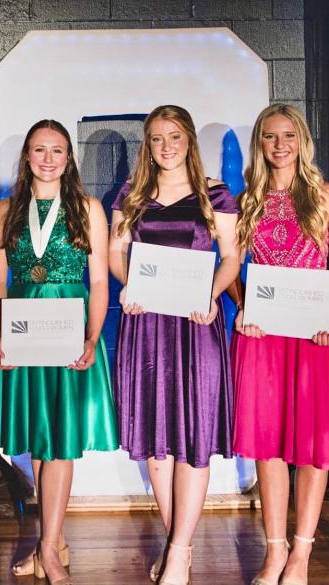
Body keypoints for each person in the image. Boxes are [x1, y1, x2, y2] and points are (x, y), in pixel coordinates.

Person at [107, 105, 239, 585]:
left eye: (175, 137)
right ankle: (178, 547)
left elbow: (231, 256)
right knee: (156, 443)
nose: (166, 146)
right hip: (147, 324)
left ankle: (178, 551)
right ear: (148, 144)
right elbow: (114, 253)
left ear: (189, 141)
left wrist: (213, 294)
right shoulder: (131, 194)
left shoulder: (215, 195)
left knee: (193, 438)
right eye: (158, 138)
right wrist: (128, 285)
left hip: (195, 322)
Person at [0, 119, 117, 585]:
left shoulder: (88, 208)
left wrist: (91, 336)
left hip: (68, 324)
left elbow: (99, 282)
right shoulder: (6, 210)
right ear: (26, 156)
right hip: (23, 324)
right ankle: (53, 542)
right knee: (40, 440)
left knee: (60, 441)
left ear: (68, 158)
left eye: (56, 150)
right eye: (39, 150)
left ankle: (50, 547)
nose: (47, 159)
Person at [232, 104, 329, 585]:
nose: (280, 145)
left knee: (312, 444)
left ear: (302, 140)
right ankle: (274, 550)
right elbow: (230, 266)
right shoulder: (248, 200)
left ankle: (301, 553)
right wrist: (244, 307)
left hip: (313, 333)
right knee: (267, 443)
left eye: (288, 136)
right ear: (259, 144)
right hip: (265, 334)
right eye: (269, 137)